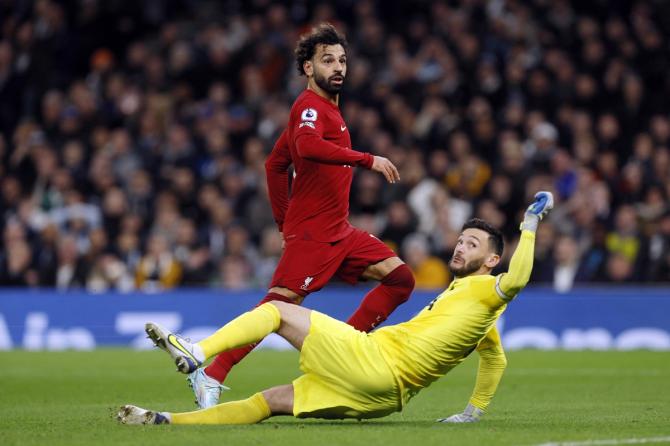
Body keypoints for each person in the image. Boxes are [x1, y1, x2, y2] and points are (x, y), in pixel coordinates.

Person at [117, 192, 554, 425]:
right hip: (383, 400)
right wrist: (473, 413)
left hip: (376, 363)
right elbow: (495, 359)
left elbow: (517, 280)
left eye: (472, 244)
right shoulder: (479, 316)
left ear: (493, 260)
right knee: (270, 401)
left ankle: (201, 354)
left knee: (277, 309)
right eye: (460, 239)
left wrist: (529, 225)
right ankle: (165, 421)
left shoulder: (490, 290)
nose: (460, 246)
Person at [187, 23, 415, 408]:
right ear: (308, 68)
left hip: (339, 232)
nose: (338, 67)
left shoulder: (326, 111)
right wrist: (368, 159)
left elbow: (275, 165)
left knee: (400, 279)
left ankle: (343, 351)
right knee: (276, 308)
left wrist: (281, 223)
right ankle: (212, 372)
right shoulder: (309, 108)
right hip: (314, 235)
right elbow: (308, 147)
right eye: (328, 60)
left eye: (342, 60)